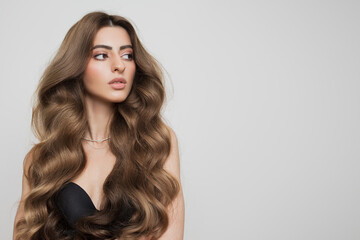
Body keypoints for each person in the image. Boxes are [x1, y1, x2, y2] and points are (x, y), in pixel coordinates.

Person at [13, 11, 184, 240]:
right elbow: (23, 234)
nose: (119, 65)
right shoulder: (42, 158)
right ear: (76, 66)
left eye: (128, 55)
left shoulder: (156, 142)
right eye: (102, 55)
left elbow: (171, 233)